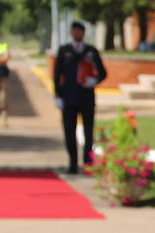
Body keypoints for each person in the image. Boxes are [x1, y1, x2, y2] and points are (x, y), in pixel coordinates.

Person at [53, 21, 106, 174]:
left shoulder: (91, 51)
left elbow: (102, 72)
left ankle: (88, 163)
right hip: (68, 98)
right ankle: (73, 163)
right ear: (71, 32)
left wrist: (94, 81)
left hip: (86, 98)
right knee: (69, 131)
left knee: (88, 132)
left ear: (83, 33)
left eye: (80, 31)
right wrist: (58, 96)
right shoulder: (64, 51)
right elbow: (57, 75)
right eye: (74, 31)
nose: (77, 33)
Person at [0, 28, 10, 127]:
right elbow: (3, 59)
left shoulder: (3, 46)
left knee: (3, 98)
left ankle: (4, 118)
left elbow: (6, 59)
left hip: (1, 74)